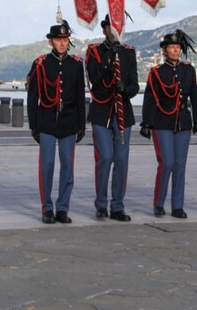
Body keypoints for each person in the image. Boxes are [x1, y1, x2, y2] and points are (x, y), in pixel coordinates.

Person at [27, 21, 86, 225]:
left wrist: (81, 125)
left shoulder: (77, 64)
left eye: (65, 39)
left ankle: (62, 208)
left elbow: (80, 96)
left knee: (68, 166)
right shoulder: (40, 63)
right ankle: (47, 208)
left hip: (69, 121)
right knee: (47, 165)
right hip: (47, 120)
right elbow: (32, 96)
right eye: (58, 40)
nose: (62, 43)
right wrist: (33, 125)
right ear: (51, 41)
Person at [140, 29, 197, 219]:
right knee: (166, 163)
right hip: (162, 121)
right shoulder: (157, 72)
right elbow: (149, 99)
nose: (175, 51)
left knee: (179, 166)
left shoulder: (188, 69)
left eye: (177, 47)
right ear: (165, 50)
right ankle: (159, 203)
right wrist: (146, 123)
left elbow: (194, 95)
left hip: (183, 121)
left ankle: (177, 206)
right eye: (171, 48)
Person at [85, 14, 140, 222]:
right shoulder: (95, 52)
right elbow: (94, 80)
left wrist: (125, 89)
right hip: (101, 112)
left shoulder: (128, 53)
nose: (116, 30)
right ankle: (101, 203)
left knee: (121, 160)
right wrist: (109, 63)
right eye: (112, 26)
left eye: (119, 26)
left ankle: (117, 206)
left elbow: (134, 85)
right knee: (105, 157)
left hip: (123, 113)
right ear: (105, 29)